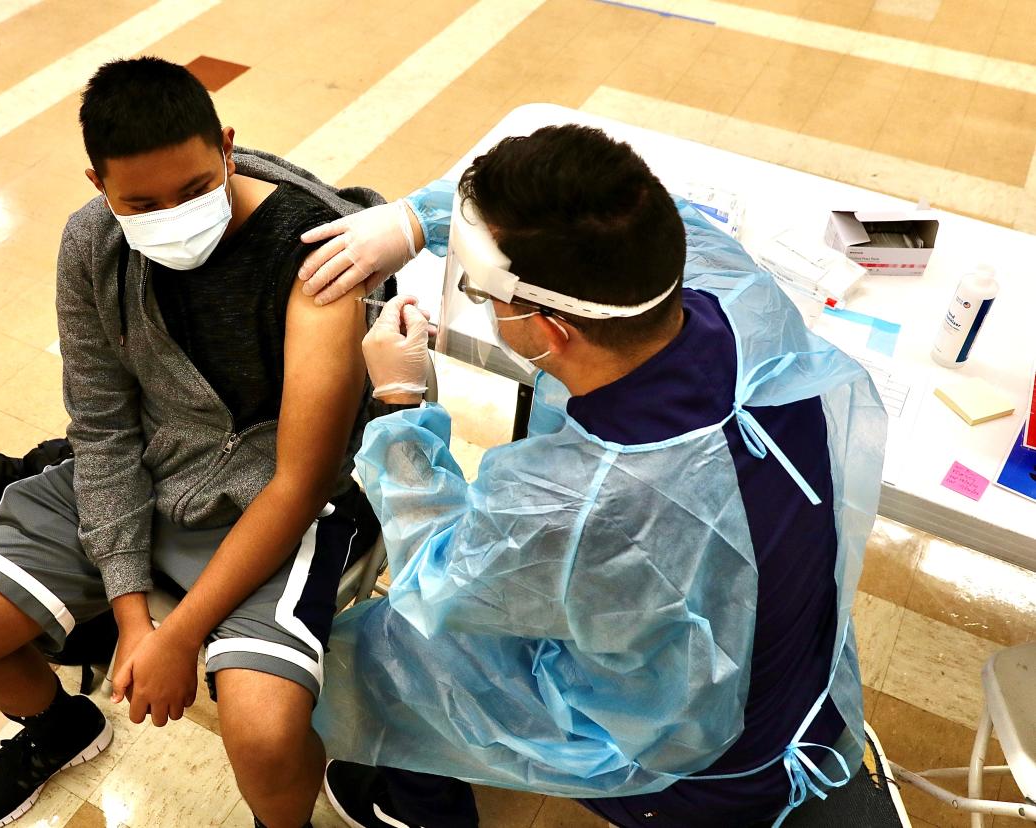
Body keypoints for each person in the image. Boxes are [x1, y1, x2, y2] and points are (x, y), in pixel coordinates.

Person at [304, 125, 887, 828]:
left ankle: (416, 809)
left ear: (549, 330)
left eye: (478, 289)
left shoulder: (577, 503)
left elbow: (439, 579)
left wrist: (399, 406)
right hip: (798, 683)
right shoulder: (731, 293)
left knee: (371, 648)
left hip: (695, 763)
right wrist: (415, 220)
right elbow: (630, 202)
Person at [0, 56, 385, 828]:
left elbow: (300, 479)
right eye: (142, 202)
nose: (174, 213)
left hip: (272, 503)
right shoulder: (94, 244)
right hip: (148, 468)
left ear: (226, 147)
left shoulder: (315, 254)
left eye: (195, 189)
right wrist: (134, 620)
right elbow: (100, 429)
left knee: (262, 737)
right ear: (98, 185)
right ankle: (60, 725)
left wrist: (182, 634)